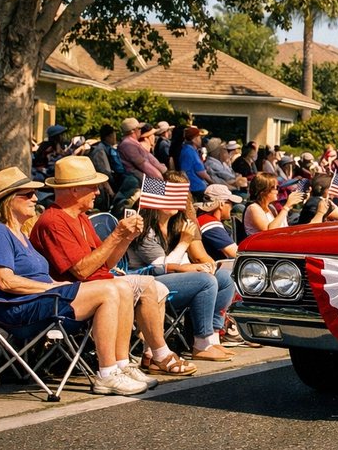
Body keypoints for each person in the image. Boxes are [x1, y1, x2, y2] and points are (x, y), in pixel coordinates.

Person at [0, 166, 155, 395]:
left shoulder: (20, 235)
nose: (35, 198)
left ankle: (120, 365)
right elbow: (5, 282)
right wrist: (52, 286)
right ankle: (107, 374)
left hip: (41, 301)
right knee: (108, 290)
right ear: (9, 200)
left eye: (34, 193)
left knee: (122, 287)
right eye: (27, 194)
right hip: (19, 309)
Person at [29, 155, 193, 377]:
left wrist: (126, 238)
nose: (98, 192)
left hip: (93, 285)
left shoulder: (81, 217)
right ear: (75, 190)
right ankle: (125, 364)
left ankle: (140, 359)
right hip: (69, 294)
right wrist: (116, 235)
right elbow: (82, 270)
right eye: (93, 187)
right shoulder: (54, 221)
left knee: (148, 284)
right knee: (131, 286)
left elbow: (106, 263)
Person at [129, 172, 236, 362]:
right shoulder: (144, 228)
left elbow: (179, 262)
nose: (176, 201)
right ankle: (201, 343)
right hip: (148, 283)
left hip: (167, 279)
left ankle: (212, 339)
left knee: (225, 279)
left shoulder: (173, 225)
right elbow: (161, 267)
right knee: (205, 281)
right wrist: (185, 243)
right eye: (169, 196)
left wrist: (199, 265)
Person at [195, 184, 243, 260]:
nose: (232, 207)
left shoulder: (202, 218)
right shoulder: (210, 224)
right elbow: (234, 253)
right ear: (221, 204)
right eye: (231, 203)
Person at [178, 126, 209, 197]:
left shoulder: (186, 150)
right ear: (194, 139)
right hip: (197, 188)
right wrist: (213, 182)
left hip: (192, 187)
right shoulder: (190, 152)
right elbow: (201, 172)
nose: (201, 140)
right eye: (199, 137)